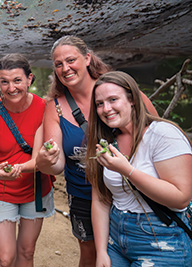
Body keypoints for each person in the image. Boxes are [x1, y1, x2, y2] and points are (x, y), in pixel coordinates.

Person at [35, 35, 158, 267]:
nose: (65, 68)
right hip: (83, 193)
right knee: (92, 255)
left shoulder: (119, 89)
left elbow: (157, 135)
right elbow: (57, 163)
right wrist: (46, 160)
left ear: (88, 58)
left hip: (131, 190)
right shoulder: (56, 107)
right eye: (58, 64)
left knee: (137, 250)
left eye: (71, 60)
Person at [86, 71, 192, 266]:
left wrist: (128, 171)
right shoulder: (106, 141)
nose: (106, 109)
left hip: (162, 238)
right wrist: (101, 251)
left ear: (132, 99)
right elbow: (100, 199)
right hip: (116, 235)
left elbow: (181, 197)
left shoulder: (163, 134)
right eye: (99, 104)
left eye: (113, 99)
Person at [0, 53, 55, 267]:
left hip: (35, 188)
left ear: (29, 79)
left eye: (17, 80)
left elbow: (39, 159)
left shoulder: (44, 108)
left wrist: (18, 168)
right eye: (5, 82)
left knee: (27, 251)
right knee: (5, 258)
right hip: (2, 189)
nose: (11, 88)